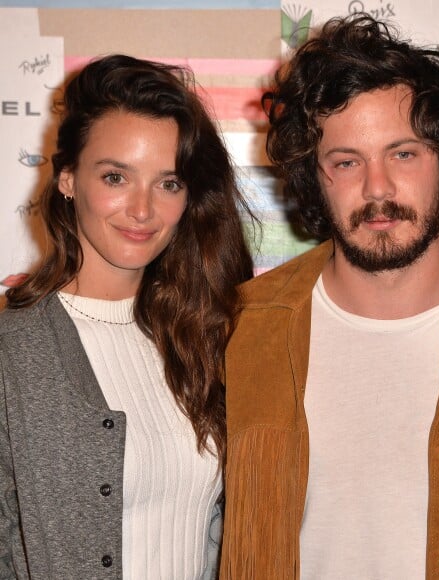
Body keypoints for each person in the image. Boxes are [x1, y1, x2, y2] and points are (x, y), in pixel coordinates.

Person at [219, 14, 439, 580]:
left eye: (403, 154)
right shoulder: (243, 331)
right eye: (346, 162)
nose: (378, 187)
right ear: (315, 178)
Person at [0, 54, 254, 579]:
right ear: (68, 178)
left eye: (168, 183)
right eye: (116, 176)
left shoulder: (208, 336)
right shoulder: (12, 351)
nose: (142, 211)